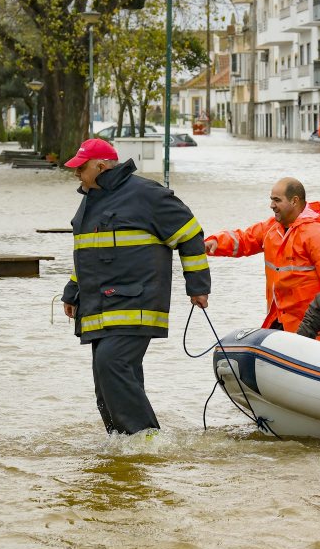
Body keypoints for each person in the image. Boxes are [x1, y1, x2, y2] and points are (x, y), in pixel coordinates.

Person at [61, 138, 210, 435]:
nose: (76, 174)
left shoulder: (147, 195)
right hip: (98, 306)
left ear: (101, 166)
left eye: (82, 168)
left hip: (137, 303)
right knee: (106, 380)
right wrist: (72, 290)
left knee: (110, 365)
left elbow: (190, 233)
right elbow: (88, 254)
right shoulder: (90, 200)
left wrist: (197, 286)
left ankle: (146, 440)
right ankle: (122, 448)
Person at [204, 177, 320, 334]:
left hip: (312, 327)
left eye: (277, 200)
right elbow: (244, 240)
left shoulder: (317, 234)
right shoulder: (271, 228)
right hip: (279, 319)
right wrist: (215, 242)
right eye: (271, 200)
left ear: (294, 201)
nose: (272, 205)